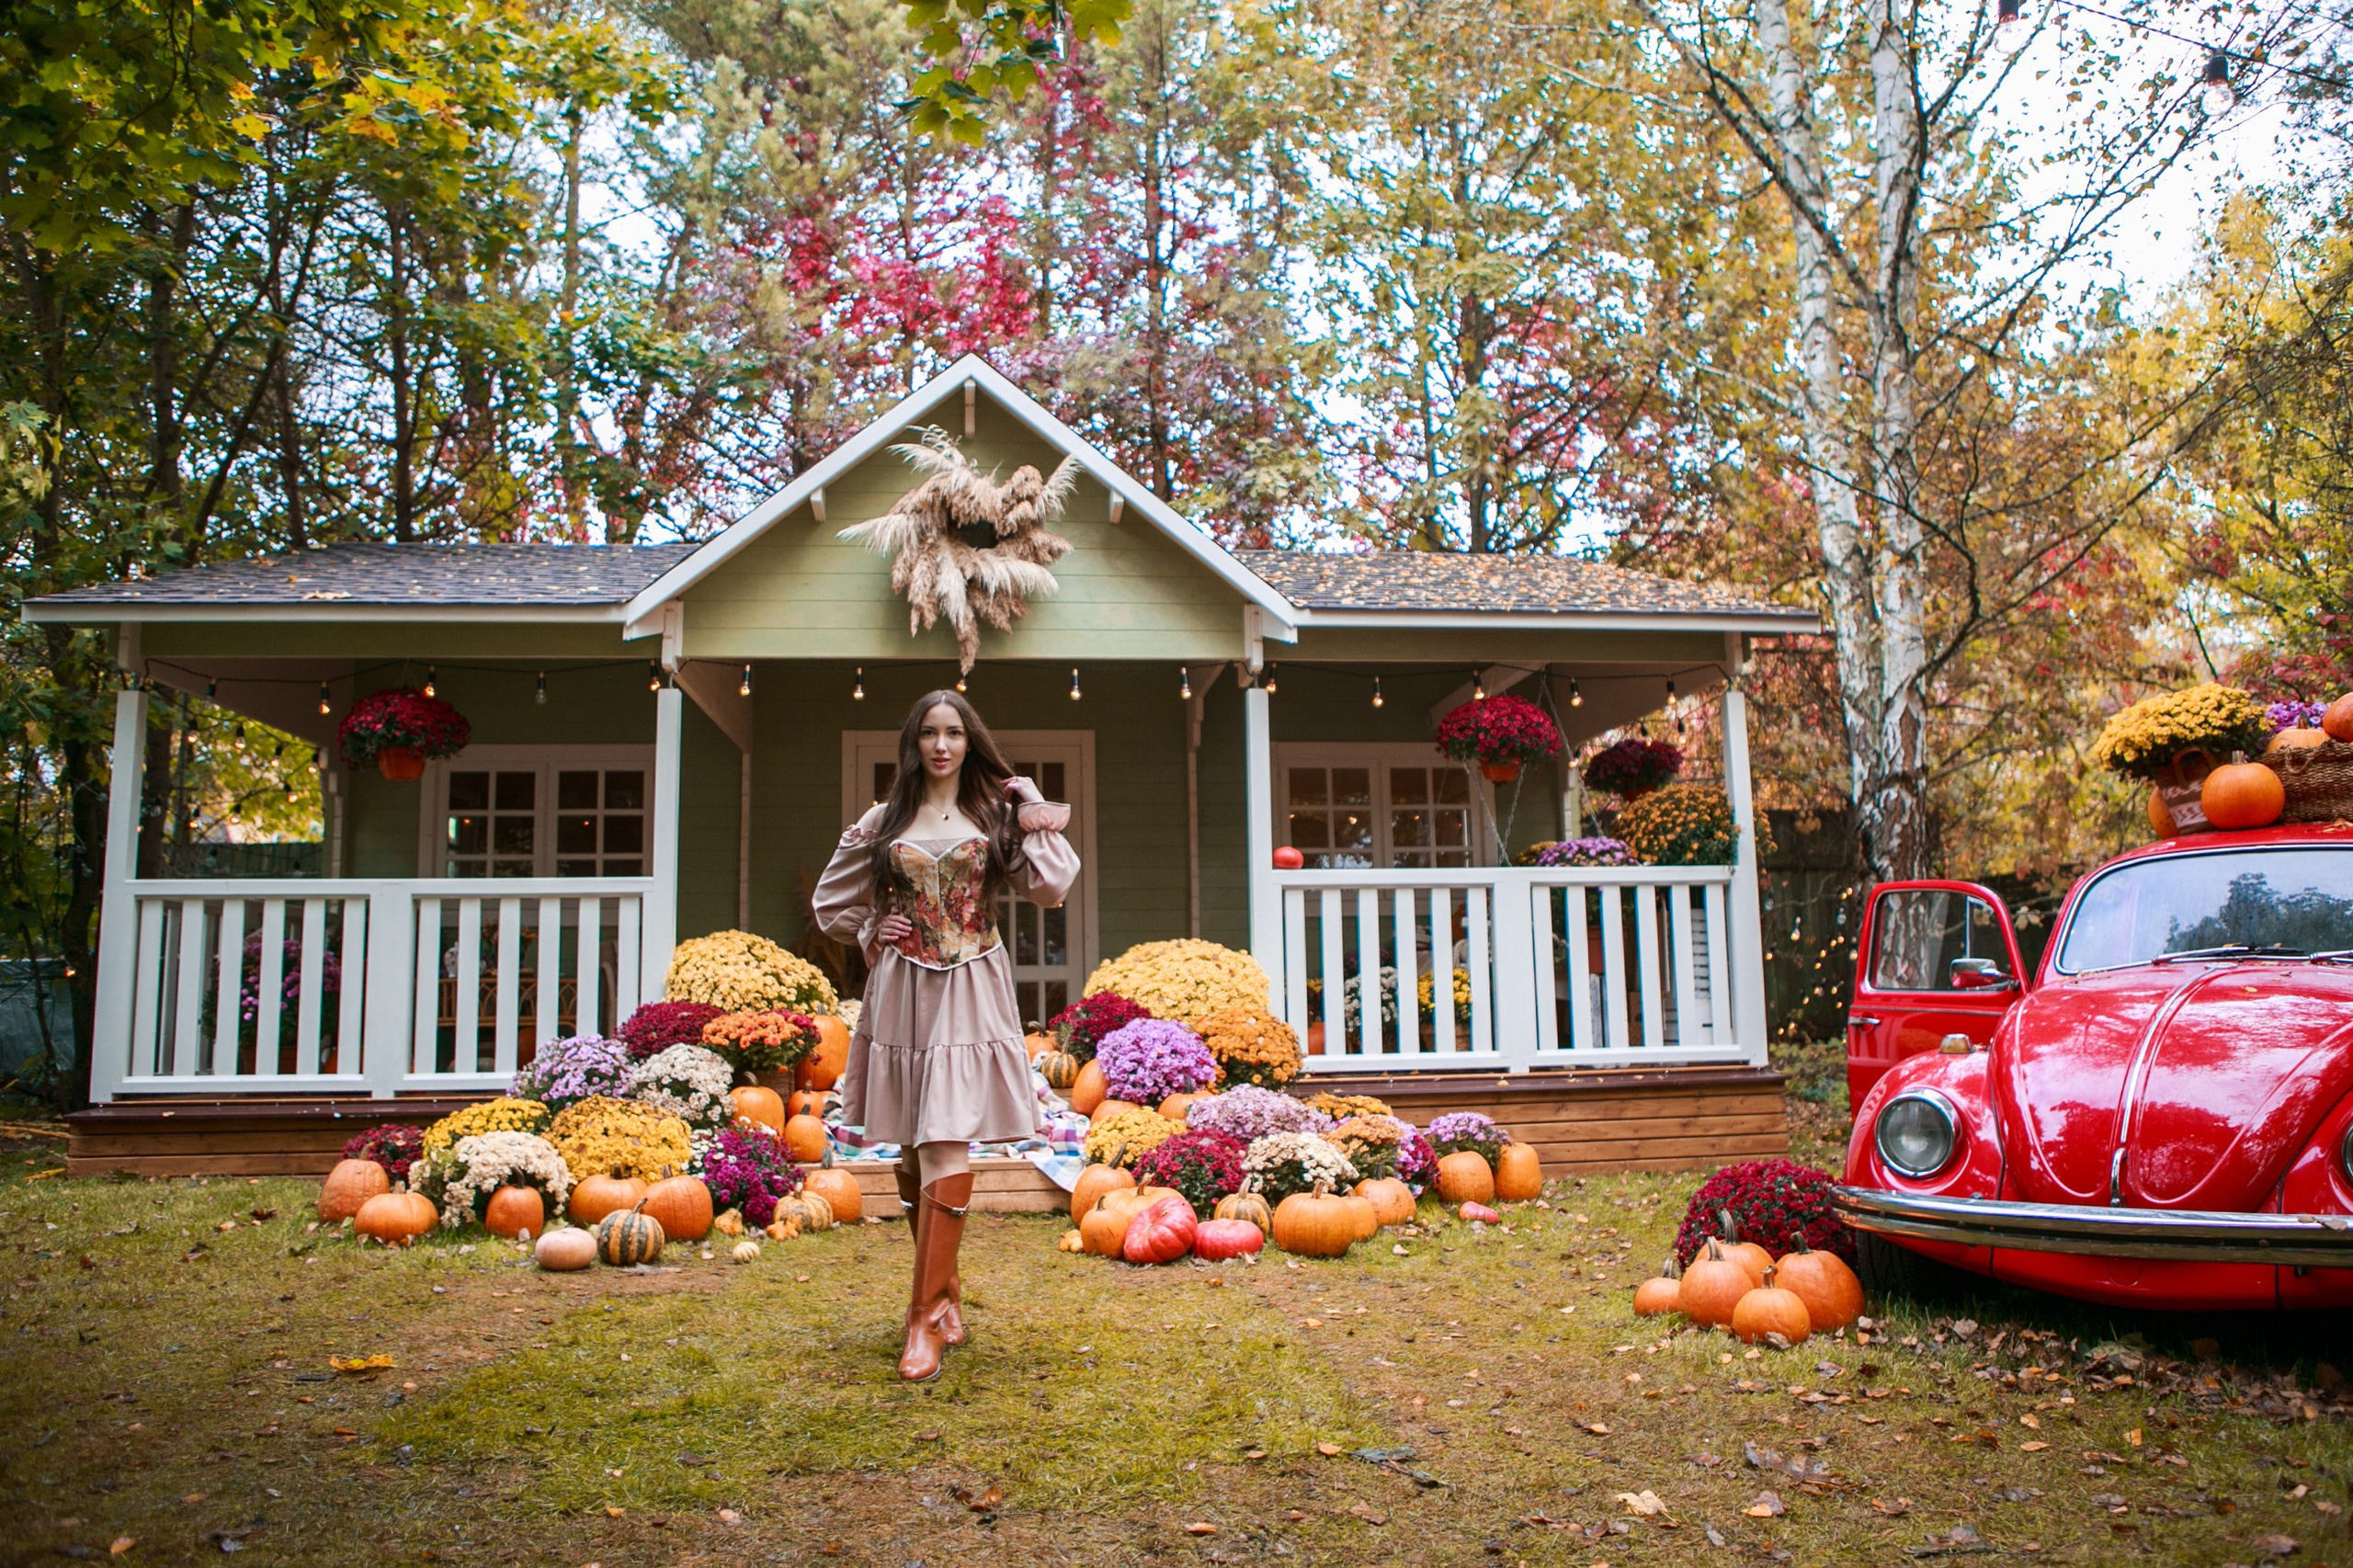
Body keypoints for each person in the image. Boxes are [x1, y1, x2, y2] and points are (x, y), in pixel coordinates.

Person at [813, 689, 1079, 1381]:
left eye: (953, 733)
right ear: (914, 743)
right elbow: (830, 902)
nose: (940, 744)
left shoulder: (994, 818)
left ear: (970, 742)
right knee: (910, 1140)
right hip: (903, 986)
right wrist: (875, 928)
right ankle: (947, 1299)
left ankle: (921, 1319)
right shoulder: (886, 818)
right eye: (929, 732)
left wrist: (1031, 805)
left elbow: (1052, 889)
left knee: (943, 1135)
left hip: (970, 985)